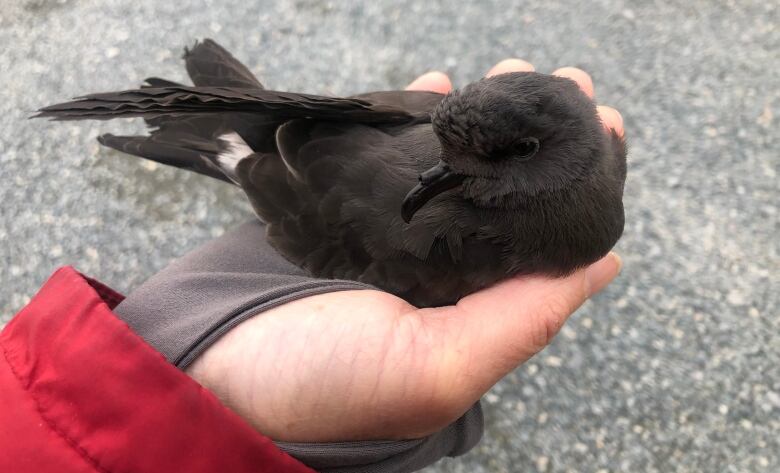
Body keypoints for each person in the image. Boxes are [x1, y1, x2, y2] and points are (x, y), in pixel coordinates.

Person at [0, 60, 624, 473]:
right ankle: (232, 139)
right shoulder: (453, 227)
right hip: (317, 181)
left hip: (321, 171)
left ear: (563, 144)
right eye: (443, 142)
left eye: (475, 154)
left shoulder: (586, 177)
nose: (437, 168)